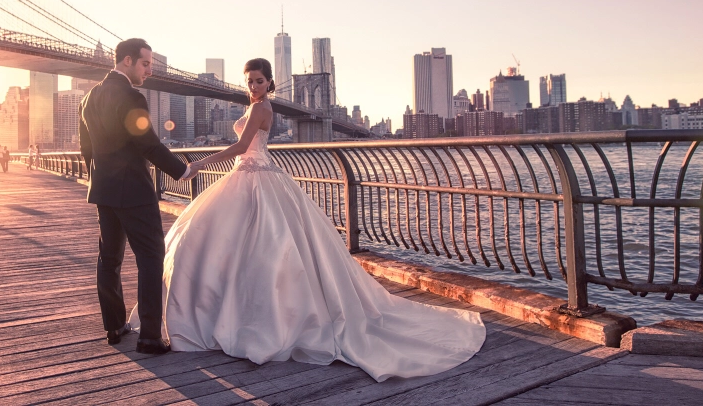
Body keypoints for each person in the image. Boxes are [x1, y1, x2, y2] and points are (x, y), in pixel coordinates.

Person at [132, 58, 485, 381]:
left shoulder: (262, 107)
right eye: (249, 80)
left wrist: (198, 164)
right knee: (233, 243)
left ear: (270, 83)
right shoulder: (255, 106)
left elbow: (241, 147)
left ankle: (252, 319)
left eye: (259, 81)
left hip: (255, 176)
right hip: (249, 177)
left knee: (258, 245)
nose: (253, 86)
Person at [79, 38, 191, 355]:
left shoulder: (89, 98)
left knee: (109, 259)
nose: (149, 70)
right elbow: (148, 144)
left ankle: (114, 326)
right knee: (151, 258)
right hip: (134, 191)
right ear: (127, 61)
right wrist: (182, 171)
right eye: (145, 63)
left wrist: (100, 179)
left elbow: (86, 149)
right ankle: (150, 337)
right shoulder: (131, 97)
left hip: (104, 190)